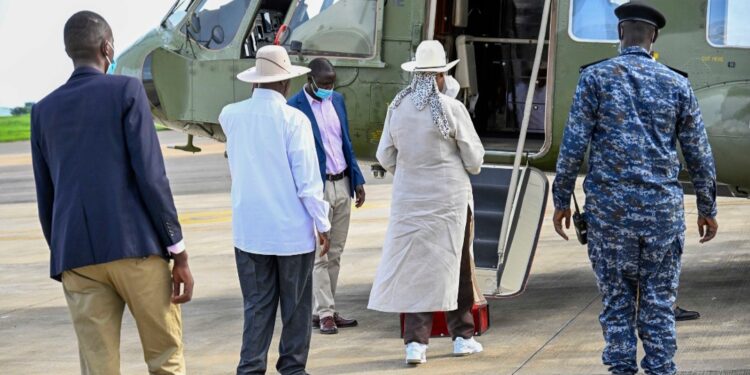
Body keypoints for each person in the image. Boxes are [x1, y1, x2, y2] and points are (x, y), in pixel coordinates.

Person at [551, 3, 718, 374]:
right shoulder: (677, 84)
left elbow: (573, 145)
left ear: (620, 34)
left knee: (616, 305)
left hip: (611, 218)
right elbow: (699, 155)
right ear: (654, 36)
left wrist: (561, 199)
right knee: (658, 305)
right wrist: (707, 208)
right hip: (661, 216)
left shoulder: (595, 79)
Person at [30, 11, 194, 374]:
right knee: (166, 357)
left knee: (98, 366)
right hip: (136, 248)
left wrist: (66, 251)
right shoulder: (126, 90)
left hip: (76, 256)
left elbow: (47, 198)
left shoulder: (42, 111)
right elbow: (151, 177)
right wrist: (178, 251)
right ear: (107, 47)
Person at [368, 40, 486, 365]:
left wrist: (409, 172)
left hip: (409, 203)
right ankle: (462, 336)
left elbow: (384, 155)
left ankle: (415, 345)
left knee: (415, 271)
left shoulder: (398, 106)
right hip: (449, 204)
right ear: (438, 76)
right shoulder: (451, 108)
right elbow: (474, 160)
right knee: (458, 268)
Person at [219, 45, 332, 375]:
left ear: (255, 81)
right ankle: (292, 369)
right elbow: (308, 183)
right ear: (285, 84)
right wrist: (323, 224)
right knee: (295, 307)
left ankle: (250, 368)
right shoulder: (294, 120)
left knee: (256, 306)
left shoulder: (231, 115)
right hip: (291, 233)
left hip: (249, 231)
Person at [287, 58, 367, 335]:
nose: (328, 88)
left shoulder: (338, 101)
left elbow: (346, 143)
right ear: (309, 81)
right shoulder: (294, 108)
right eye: (323, 84)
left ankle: (325, 310)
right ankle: (325, 313)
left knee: (336, 252)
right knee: (321, 253)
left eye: (332, 83)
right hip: (317, 187)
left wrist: (357, 179)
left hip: (342, 182)